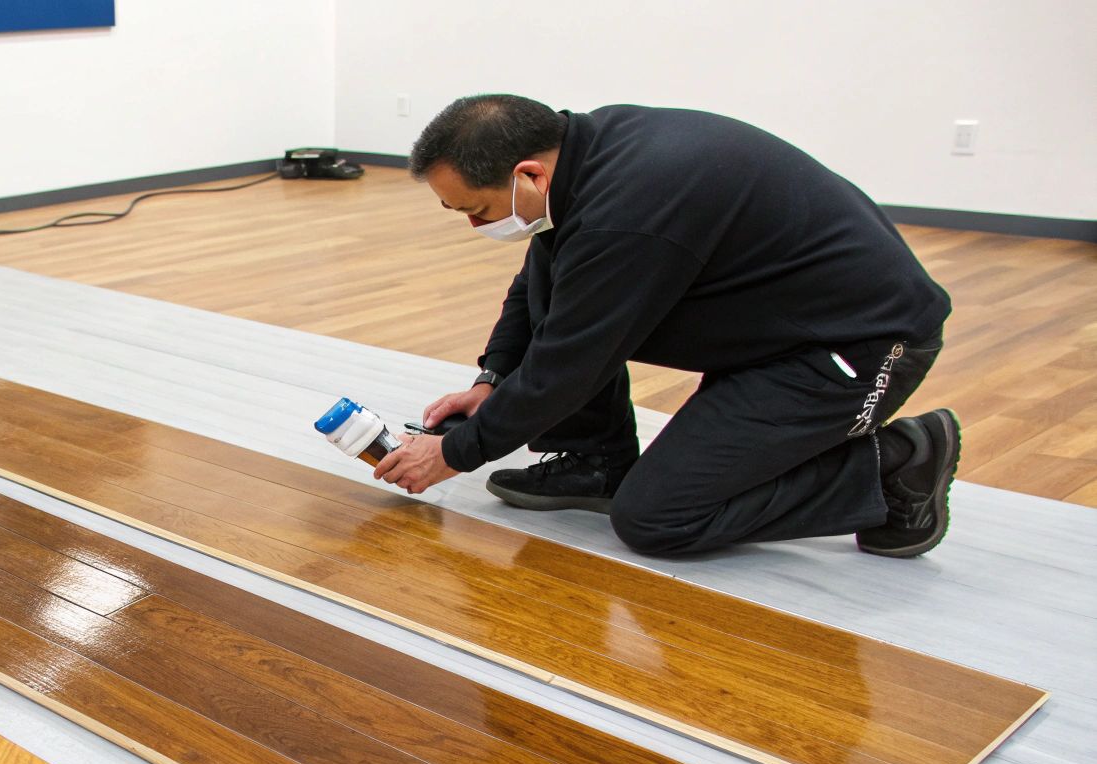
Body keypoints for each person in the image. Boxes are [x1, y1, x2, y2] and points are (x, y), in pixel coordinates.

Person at [372, 95, 959, 558]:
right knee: (569, 287)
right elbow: (541, 283)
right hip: (775, 333)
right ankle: (598, 464)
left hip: (859, 347)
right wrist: (492, 380)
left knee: (657, 517)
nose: (476, 226)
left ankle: (894, 464)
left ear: (528, 174)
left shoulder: (629, 213)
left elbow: (571, 362)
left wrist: (453, 454)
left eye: (476, 209)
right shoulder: (586, 156)